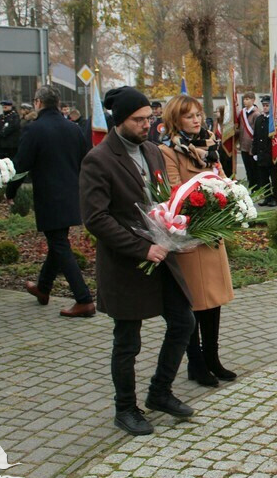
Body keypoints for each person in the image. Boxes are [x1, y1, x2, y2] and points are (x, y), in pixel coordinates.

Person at [79, 86, 195, 436]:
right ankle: (125, 408)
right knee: (127, 340)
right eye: (139, 120)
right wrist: (141, 248)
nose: (148, 125)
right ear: (120, 121)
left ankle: (160, 392)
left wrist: (180, 229)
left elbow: (163, 199)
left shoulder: (152, 151)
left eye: (150, 118)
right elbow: (96, 218)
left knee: (183, 322)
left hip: (163, 257)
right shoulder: (98, 160)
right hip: (127, 264)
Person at [158, 95, 237, 388]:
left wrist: (228, 195)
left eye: (198, 115)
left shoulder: (211, 146)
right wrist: (207, 194)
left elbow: (223, 179)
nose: (196, 120)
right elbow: (174, 191)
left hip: (212, 232)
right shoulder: (167, 150)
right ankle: (196, 363)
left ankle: (212, 358)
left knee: (213, 300)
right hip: (189, 236)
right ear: (175, 120)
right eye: (189, 116)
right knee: (194, 302)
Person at [7, 85, 95, 317]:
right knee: (58, 242)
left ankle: (84, 299)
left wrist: (10, 190)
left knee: (59, 245)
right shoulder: (73, 128)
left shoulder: (34, 129)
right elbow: (84, 159)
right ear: (57, 103)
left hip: (49, 196)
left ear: (37, 103)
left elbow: (21, 164)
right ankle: (43, 288)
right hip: (71, 193)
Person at [251, 95, 277, 206]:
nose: (265, 107)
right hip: (261, 154)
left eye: (267, 105)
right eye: (264, 105)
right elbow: (256, 137)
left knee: (274, 178)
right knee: (263, 178)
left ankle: (275, 198)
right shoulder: (259, 119)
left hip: (272, 154)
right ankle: (267, 197)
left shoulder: (274, 121)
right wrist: (255, 152)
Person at [237, 91, 259, 186]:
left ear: (253, 100)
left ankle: (256, 187)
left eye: (247, 99)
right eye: (244, 99)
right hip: (243, 145)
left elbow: (256, 131)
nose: (245, 101)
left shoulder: (256, 114)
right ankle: (251, 185)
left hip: (252, 145)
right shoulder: (242, 112)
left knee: (254, 169)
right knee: (248, 169)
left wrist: (254, 147)